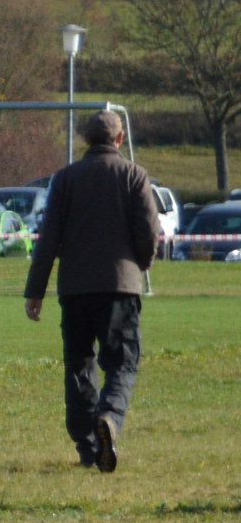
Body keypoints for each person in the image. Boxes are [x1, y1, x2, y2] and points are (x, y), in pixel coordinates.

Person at [25, 108, 162, 475]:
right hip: (120, 286)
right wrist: (142, 263)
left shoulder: (65, 179)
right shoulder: (134, 174)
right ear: (120, 138)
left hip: (75, 289)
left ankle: (88, 447)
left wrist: (35, 290)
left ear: (85, 139)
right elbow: (149, 231)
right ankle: (109, 417)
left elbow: (48, 238)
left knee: (79, 366)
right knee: (122, 362)